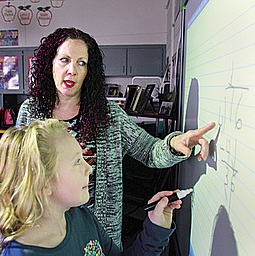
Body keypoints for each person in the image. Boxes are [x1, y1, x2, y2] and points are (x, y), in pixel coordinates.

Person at [16, 27, 215, 247]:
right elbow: (20, 172)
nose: (72, 69)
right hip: (45, 229)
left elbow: (150, 151)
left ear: (88, 72)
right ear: (50, 64)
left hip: (99, 231)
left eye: (82, 63)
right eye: (64, 60)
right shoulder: (30, 112)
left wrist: (174, 144)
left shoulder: (109, 115)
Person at [0, 119, 182, 256]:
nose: (89, 168)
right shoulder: (21, 253)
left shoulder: (81, 217)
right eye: (77, 161)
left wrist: (156, 228)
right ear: (43, 183)